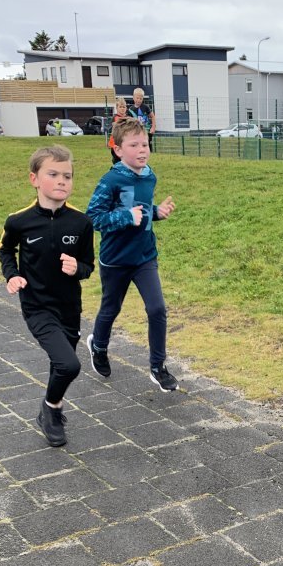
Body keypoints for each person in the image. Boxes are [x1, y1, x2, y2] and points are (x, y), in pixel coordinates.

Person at [0, 145, 94, 446]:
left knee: (60, 363)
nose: (62, 181)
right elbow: (5, 250)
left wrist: (77, 267)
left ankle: (50, 410)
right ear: (34, 179)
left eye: (67, 175)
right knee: (70, 365)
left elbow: (89, 265)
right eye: (53, 174)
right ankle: (51, 408)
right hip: (37, 306)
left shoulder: (81, 222)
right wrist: (12, 275)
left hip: (69, 307)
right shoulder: (19, 221)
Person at [85, 118, 177, 391]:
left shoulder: (150, 175)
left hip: (145, 256)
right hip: (115, 260)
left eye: (145, 144)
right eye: (134, 145)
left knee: (157, 309)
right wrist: (125, 217)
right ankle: (98, 346)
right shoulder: (110, 180)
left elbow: (141, 209)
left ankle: (158, 366)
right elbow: (93, 218)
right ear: (118, 150)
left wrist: (157, 212)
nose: (142, 150)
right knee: (111, 308)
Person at [108, 97, 128, 164]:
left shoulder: (127, 117)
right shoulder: (115, 117)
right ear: (117, 108)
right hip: (115, 143)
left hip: (123, 142)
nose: (122, 108)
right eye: (120, 107)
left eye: (124, 107)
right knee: (117, 160)